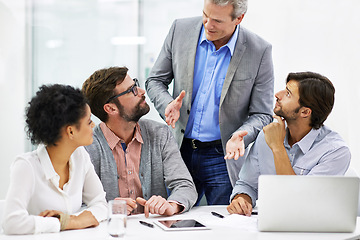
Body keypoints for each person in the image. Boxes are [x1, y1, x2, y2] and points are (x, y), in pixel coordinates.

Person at [145, 0, 274, 205]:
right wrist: (166, 104)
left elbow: (263, 114)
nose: (208, 24)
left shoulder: (259, 51)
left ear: (238, 19)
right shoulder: (180, 29)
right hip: (179, 150)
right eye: (205, 15)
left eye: (217, 20)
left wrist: (243, 135)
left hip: (222, 157)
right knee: (174, 223)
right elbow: (155, 80)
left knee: (224, 225)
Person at [227, 72, 351, 216]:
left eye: (288, 94)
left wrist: (278, 148)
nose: (277, 95)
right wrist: (242, 199)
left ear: (305, 112)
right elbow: (247, 185)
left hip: (310, 231)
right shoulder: (267, 135)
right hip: (270, 226)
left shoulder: (335, 151)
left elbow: (298, 202)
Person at [82, 66, 197, 218]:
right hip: (110, 231)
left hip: (153, 229)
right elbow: (76, 204)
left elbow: (185, 185)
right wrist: (107, 209)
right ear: (110, 108)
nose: (142, 92)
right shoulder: (87, 147)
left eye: (135, 84)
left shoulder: (159, 134)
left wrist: (171, 205)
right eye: (131, 90)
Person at [2, 85, 107, 235]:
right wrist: (63, 222)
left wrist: (71, 221)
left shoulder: (80, 156)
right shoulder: (26, 166)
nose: (93, 125)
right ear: (71, 131)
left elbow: (100, 204)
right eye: (89, 121)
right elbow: (12, 222)